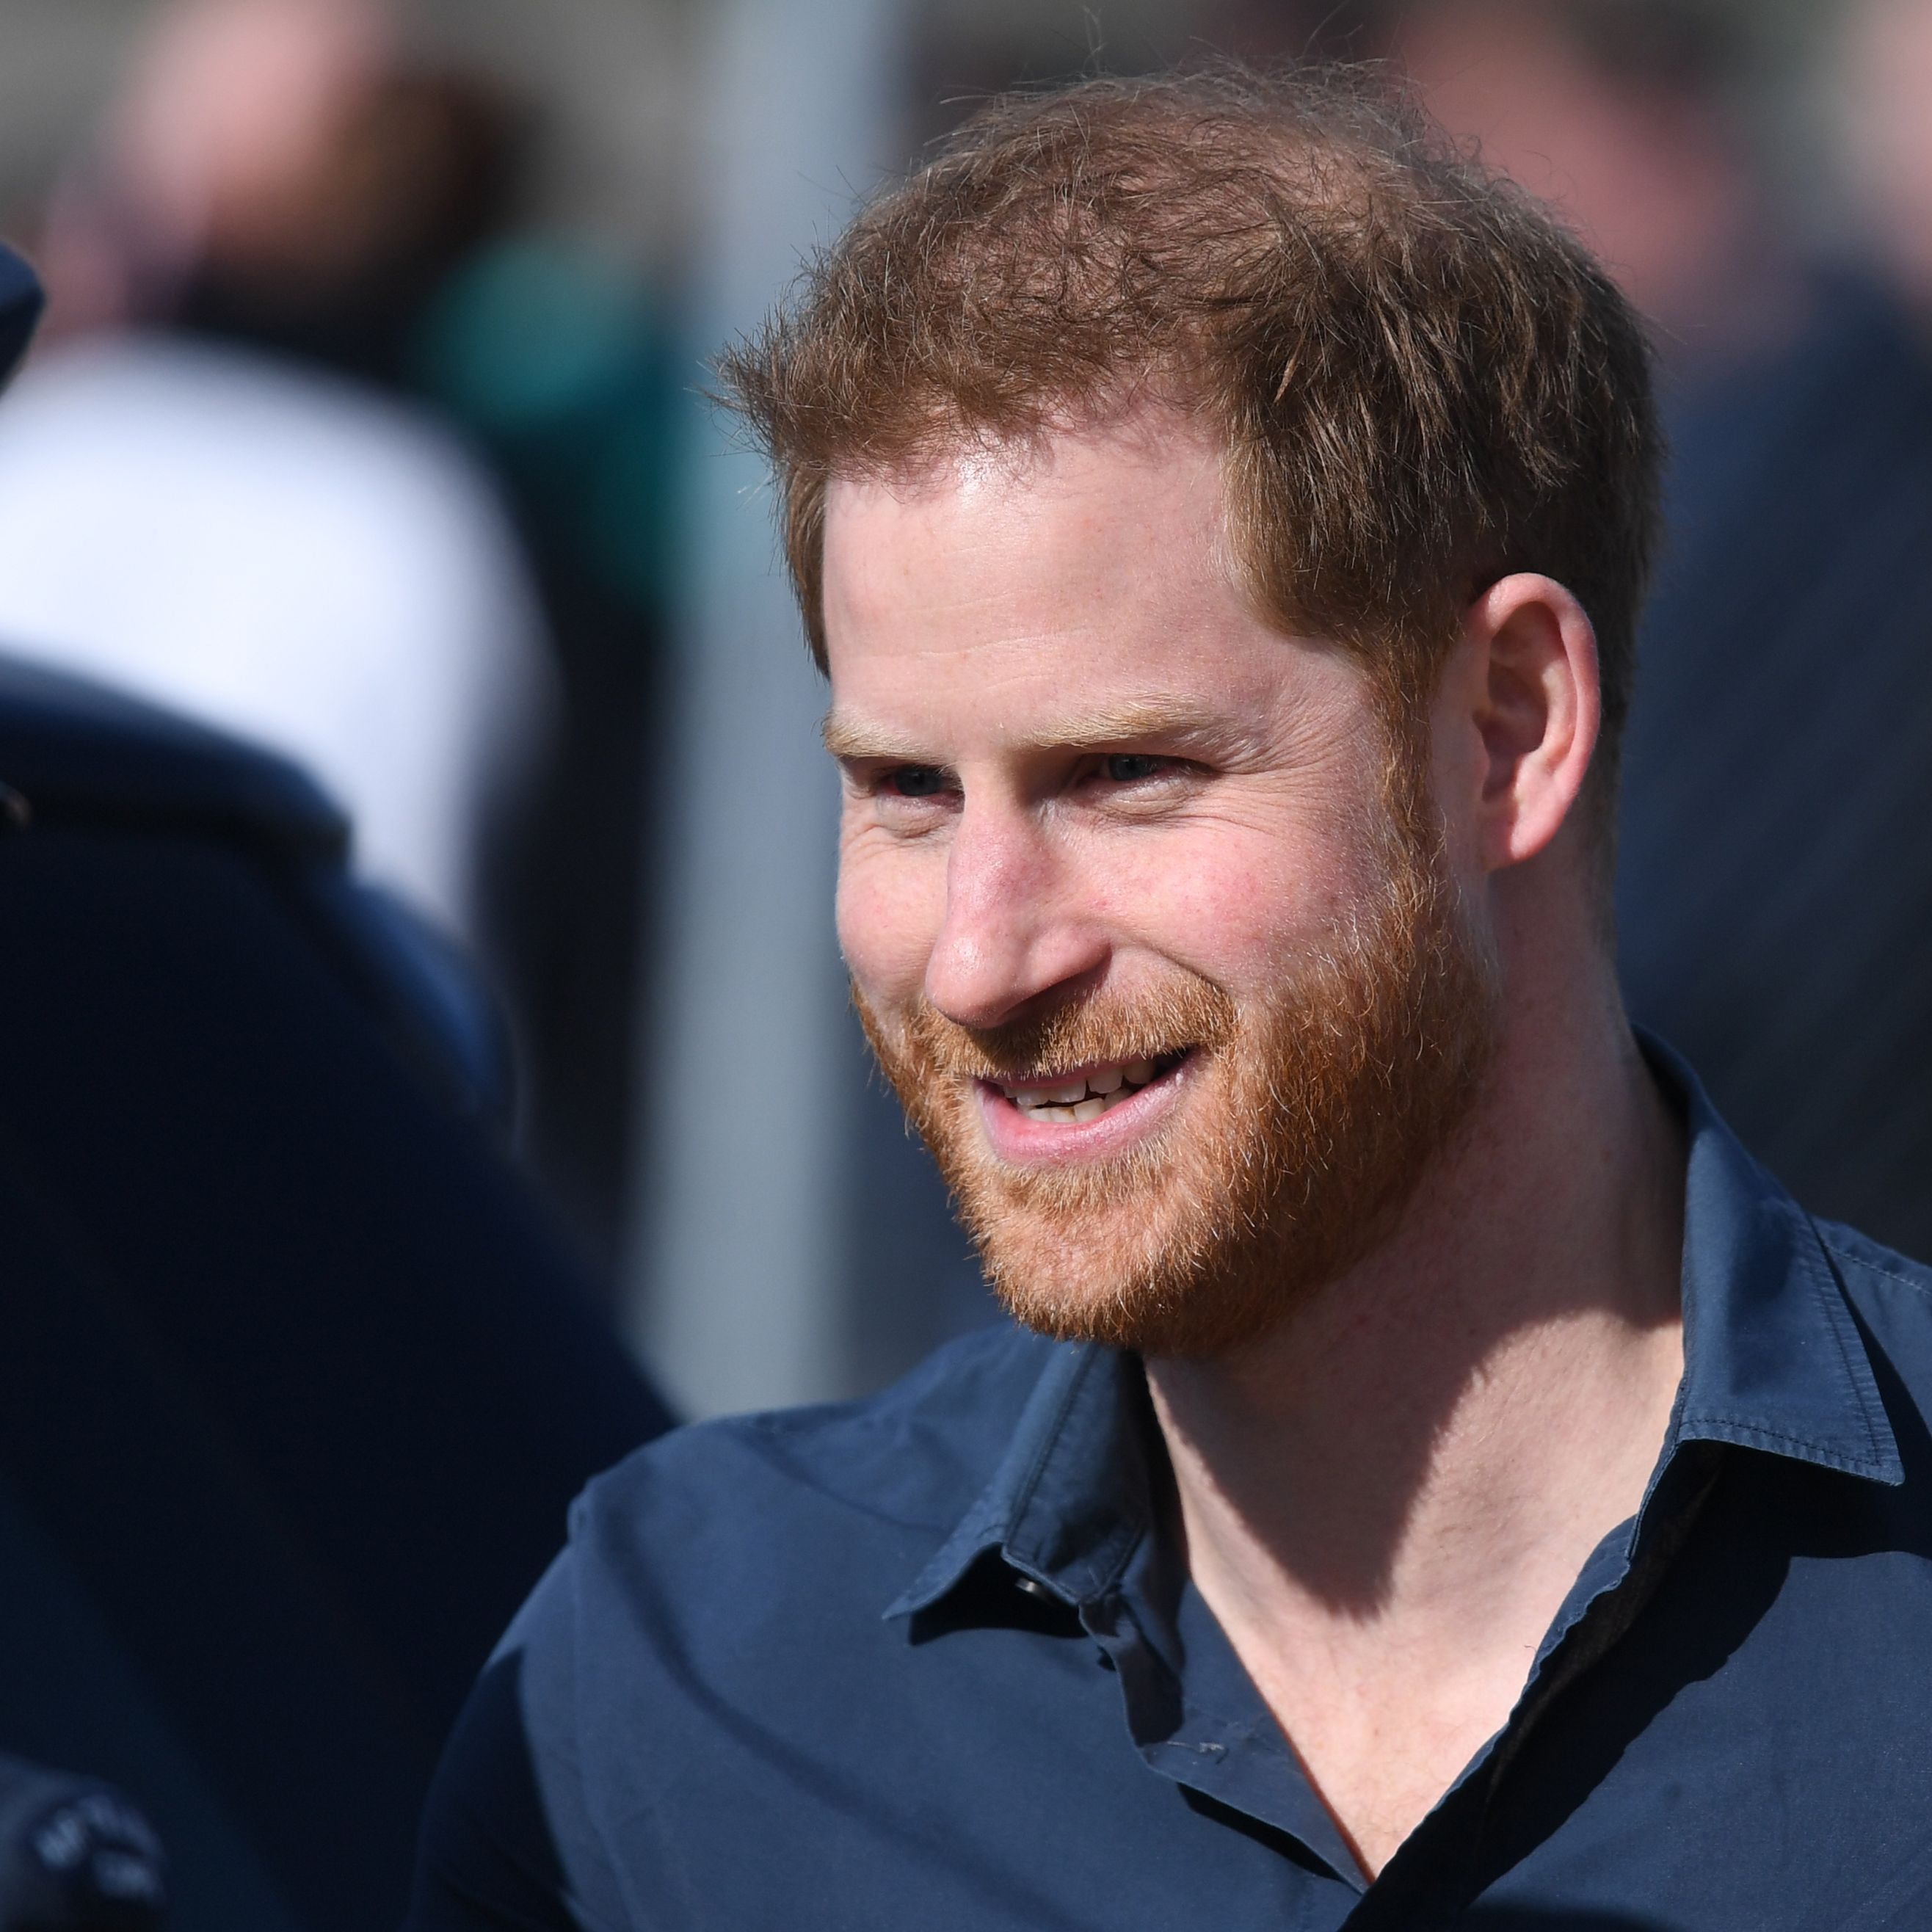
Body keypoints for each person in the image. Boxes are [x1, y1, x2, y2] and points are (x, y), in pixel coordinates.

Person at [406, 69, 1932, 1929]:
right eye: (904, 789)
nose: (979, 956)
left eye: (1122, 774)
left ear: (1504, 728)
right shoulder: (673, 1692)